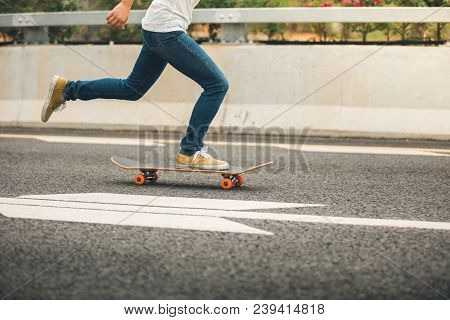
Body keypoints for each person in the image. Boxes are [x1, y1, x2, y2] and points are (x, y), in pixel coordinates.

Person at [41, 0, 230, 170]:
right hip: (167, 30)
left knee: (132, 89)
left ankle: (67, 89)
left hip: (158, 28)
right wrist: (125, 4)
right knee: (217, 85)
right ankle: (190, 151)